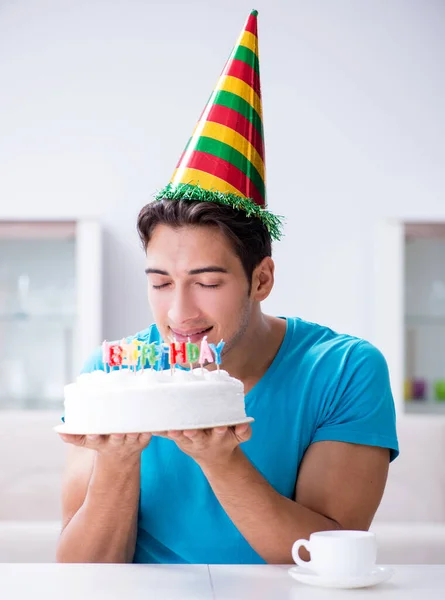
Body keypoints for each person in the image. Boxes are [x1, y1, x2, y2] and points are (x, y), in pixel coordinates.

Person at [56, 10, 398, 565]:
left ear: (261, 278)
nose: (178, 310)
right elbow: (81, 576)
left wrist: (221, 458)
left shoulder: (344, 371)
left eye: (207, 281)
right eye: (161, 282)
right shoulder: (113, 376)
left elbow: (329, 560)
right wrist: (118, 464)